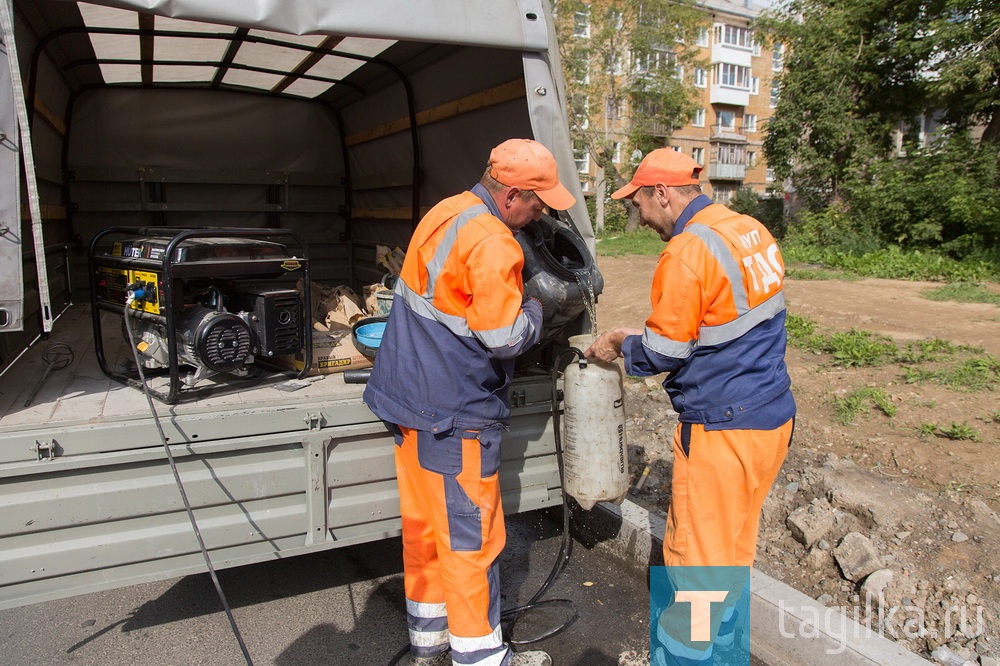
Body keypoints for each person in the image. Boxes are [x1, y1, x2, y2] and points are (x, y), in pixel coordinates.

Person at [363, 138, 576, 666]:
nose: (540, 214)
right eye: (538, 202)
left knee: (425, 528)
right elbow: (504, 337)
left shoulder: (445, 212)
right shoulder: (494, 242)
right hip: (455, 415)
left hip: (408, 404)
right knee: (470, 539)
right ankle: (481, 656)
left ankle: (431, 640)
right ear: (512, 195)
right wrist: (535, 303)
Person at [585, 148, 795, 664]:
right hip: (771, 418)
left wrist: (616, 342)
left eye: (639, 205)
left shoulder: (685, 251)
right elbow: (723, 324)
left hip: (723, 429)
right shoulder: (748, 230)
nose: (640, 217)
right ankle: (722, 649)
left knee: (698, 566)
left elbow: (664, 352)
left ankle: (683, 654)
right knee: (730, 553)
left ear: (663, 192)